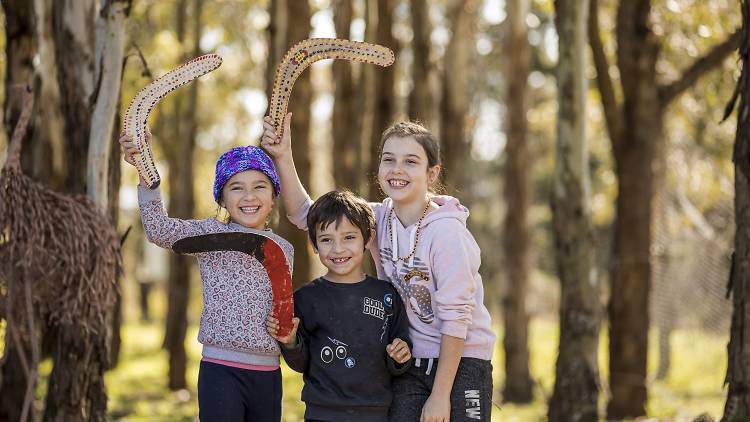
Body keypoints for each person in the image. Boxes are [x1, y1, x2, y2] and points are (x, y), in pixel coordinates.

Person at [262, 115, 496, 422]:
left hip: (462, 360)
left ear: (432, 172)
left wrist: (440, 396)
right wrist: (283, 156)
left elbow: (457, 318)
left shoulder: (448, 233)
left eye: (410, 161)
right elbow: (309, 215)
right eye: (389, 159)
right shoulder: (377, 219)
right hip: (408, 360)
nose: (397, 169)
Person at [120, 131, 292, 422]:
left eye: (259, 186)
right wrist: (143, 167)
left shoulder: (284, 249)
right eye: (236, 188)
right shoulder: (209, 235)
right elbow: (159, 230)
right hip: (220, 370)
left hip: (268, 373)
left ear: (274, 195)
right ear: (222, 199)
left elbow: (285, 314)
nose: (249, 196)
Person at [266, 190, 412, 422]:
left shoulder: (386, 294)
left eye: (349, 237)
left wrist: (401, 354)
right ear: (314, 244)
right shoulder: (305, 299)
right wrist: (291, 341)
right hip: (322, 413)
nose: (338, 249)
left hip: (374, 413)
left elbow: (401, 347)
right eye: (326, 239)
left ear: (368, 238)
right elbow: (301, 364)